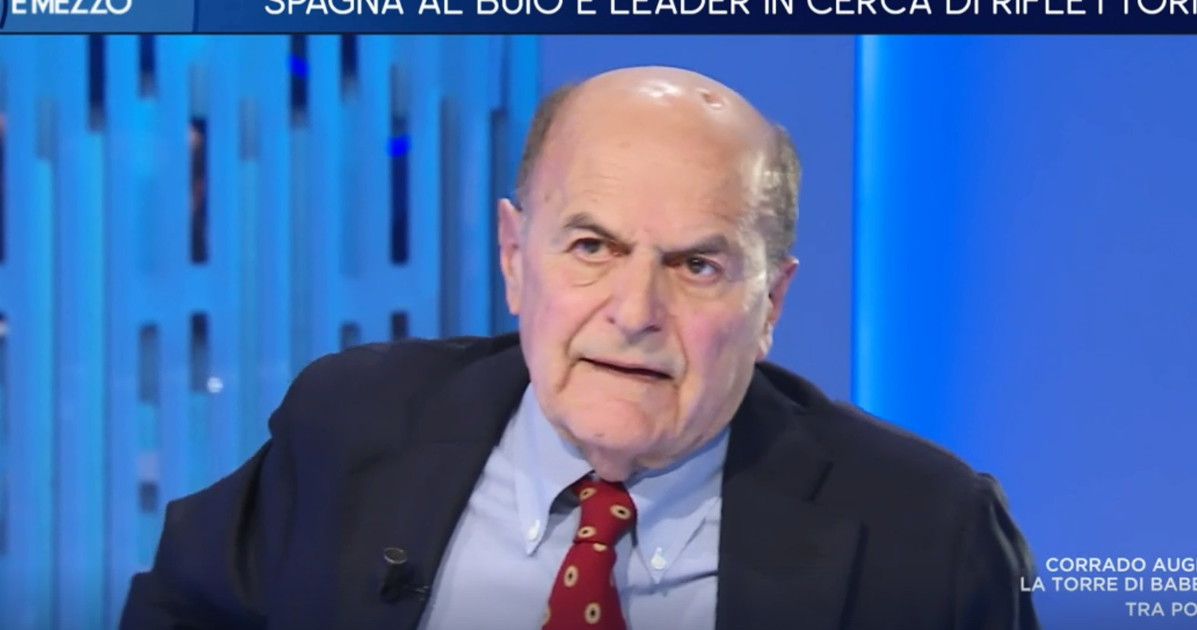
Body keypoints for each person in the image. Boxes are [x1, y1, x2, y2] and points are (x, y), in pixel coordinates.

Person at [120, 66, 1040, 630]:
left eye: (696, 265)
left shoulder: (924, 532)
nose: (634, 311)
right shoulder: (350, 425)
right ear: (514, 257)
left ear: (770, 302)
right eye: (592, 247)